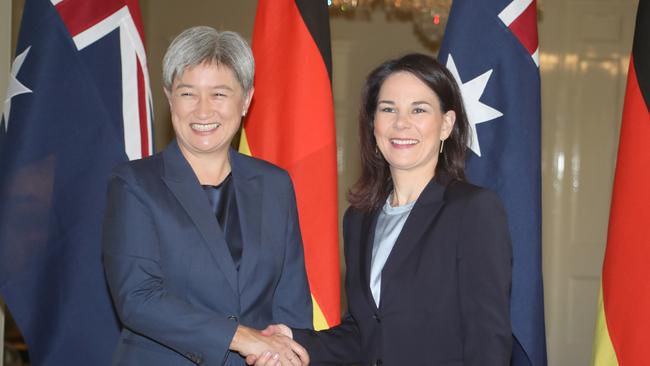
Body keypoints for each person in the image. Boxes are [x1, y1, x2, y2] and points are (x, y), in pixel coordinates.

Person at [251, 53, 512, 366]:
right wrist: (293, 341)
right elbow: (366, 333)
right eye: (388, 109)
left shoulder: (473, 210)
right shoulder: (358, 219)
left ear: (446, 124)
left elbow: (487, 340)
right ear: (373, 123)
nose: (401, 123)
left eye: (419, 109)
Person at [102, 26, 312, 366]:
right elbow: (138, 298)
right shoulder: (134, 184)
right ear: (170, 97)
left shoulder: (275, 184)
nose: (202, 111)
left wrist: (283, 353)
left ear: (245, 100)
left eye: (219, 94)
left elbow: (292, 301)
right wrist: (241, 338)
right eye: (188, 94)